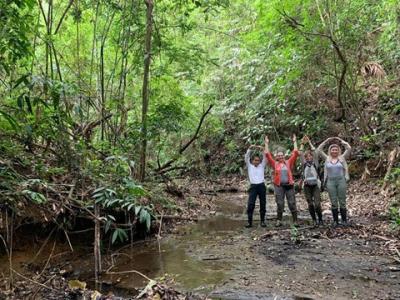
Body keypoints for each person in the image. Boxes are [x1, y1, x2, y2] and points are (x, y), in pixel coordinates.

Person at [264, 135, 299, 227]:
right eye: (278, 156)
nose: (280, 157)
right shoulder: (274, 164)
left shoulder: (288, 162)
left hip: (289, 186)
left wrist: (294, 141)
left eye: (282, 155)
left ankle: (295, 221)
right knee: (280, 204)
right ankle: (279, 220)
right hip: (279, 186)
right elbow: (267, 154)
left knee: (291, 203)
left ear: (284, 156)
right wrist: (266, 143)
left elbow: (295, 153)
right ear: (277, 157)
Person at [316, 137, 351, 226]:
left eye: (336, 150)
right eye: (332, 150)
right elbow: (319, 150)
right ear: (330, 151)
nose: (334, 151)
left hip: (341, 180)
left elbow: (349, 148)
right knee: (334, 202)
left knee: (342, 201)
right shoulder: (327, 158)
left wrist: (341, 141)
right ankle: (335, 221)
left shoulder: (342, 158)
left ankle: (344, 221)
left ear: (338, 151)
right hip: (330, 181)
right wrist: (326, 141)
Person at [300, 136, 323, 226]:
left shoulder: (315, 163)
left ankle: (320, 219)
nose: (309, 157)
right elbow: (300, 153)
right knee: (310, 204)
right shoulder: (304, 164)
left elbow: (314, 152)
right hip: (306, 185)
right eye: (307, 156)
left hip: (316, 185)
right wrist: (302, 143)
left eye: (310, 156)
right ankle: (314, 219)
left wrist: (309, 142)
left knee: (317, 204)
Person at [244, 145, 267, 228]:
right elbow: (246, 157)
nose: (257, 162)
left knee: (263, 204)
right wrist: (250, 148)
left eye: (258, 160)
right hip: (253, 186)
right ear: (252, 161)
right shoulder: (250, 166)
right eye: (255, 160)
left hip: (261, 186)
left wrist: (262, 150)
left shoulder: (262, 166)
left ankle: (262, 221)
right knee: (251, 204)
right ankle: (249, 222)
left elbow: (265, 158)